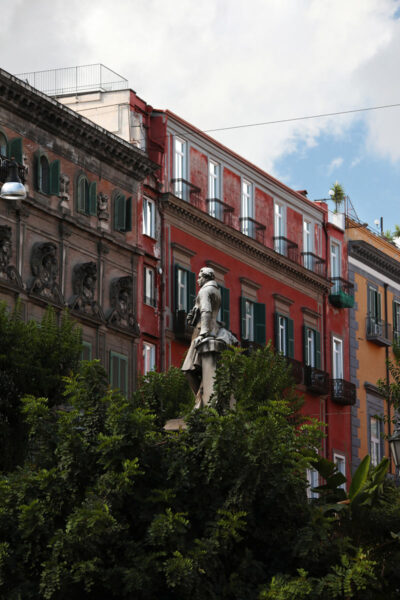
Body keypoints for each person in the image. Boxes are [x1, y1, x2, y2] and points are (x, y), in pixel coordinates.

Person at [182, 266, 237, 407]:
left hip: (203, 329)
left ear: (206, 277)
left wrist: (203, 334)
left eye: (200, 277)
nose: (198, 280)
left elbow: (206, 311)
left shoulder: (205, 290)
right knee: (200, 369)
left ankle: (199, 400)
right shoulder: (216, 291)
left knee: (188, 369)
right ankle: (202, 396)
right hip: (214, 328)